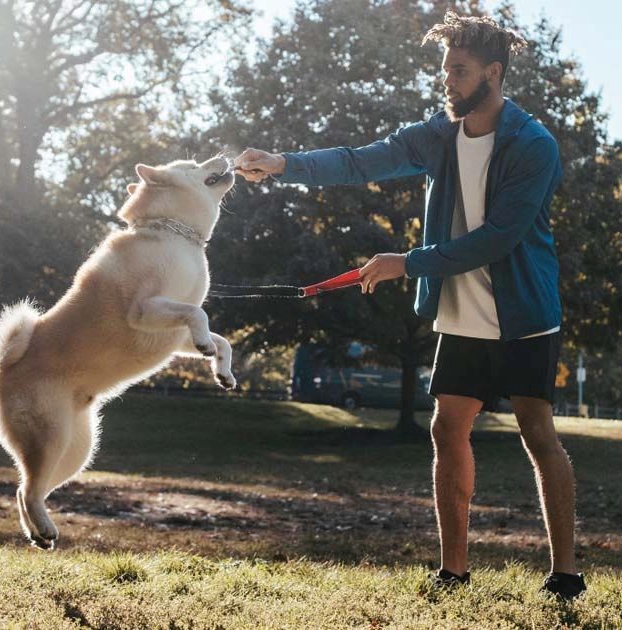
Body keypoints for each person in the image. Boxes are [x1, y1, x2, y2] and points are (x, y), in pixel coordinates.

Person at [233, 11, 585, 600]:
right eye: (445, 70)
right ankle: (453, 571)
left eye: (460, 70)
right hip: (462, 318)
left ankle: (566, 572)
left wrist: (408, 261)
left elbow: (499, 236)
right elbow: (358, 160)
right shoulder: (437, 136)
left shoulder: (533, 145)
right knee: (448, 431)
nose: (447, 81)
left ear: (493, 73)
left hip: (524, 316)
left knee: (537, 434)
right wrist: (283, 164)